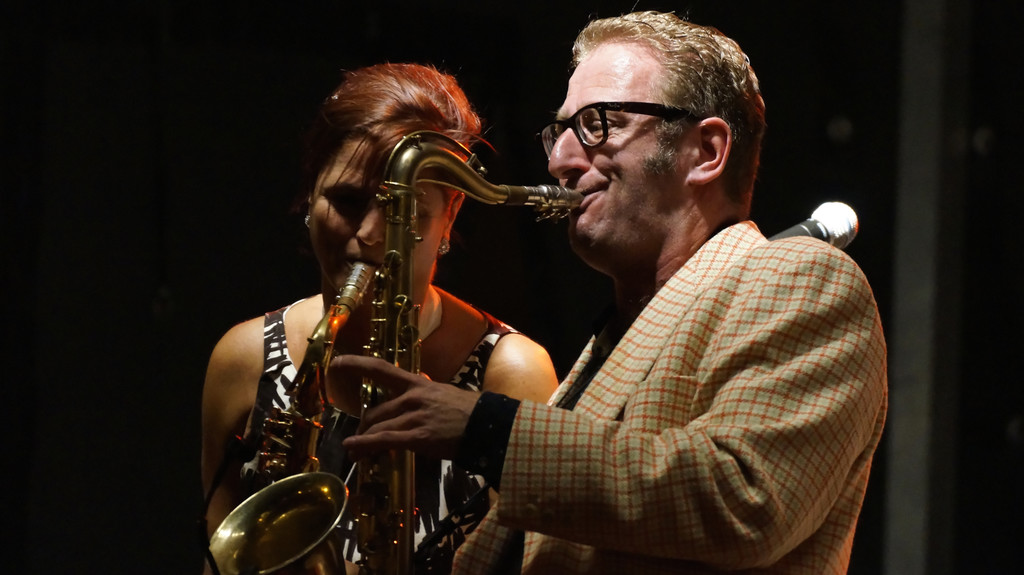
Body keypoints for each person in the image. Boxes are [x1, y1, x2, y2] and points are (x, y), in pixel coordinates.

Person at [338, 11, 888, 575]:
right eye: (560, 131)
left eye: (598, 123)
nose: (559, 161)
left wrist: (488, 431)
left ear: (706, 151)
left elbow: (744, 496)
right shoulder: (622, 328)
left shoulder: (802, 276)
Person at [199, 63, 559, 574]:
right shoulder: (243, 358)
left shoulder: (513, 374)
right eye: (347, 201)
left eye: (403, 211)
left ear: (451, 215)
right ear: (310, 194)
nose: (369, 234)